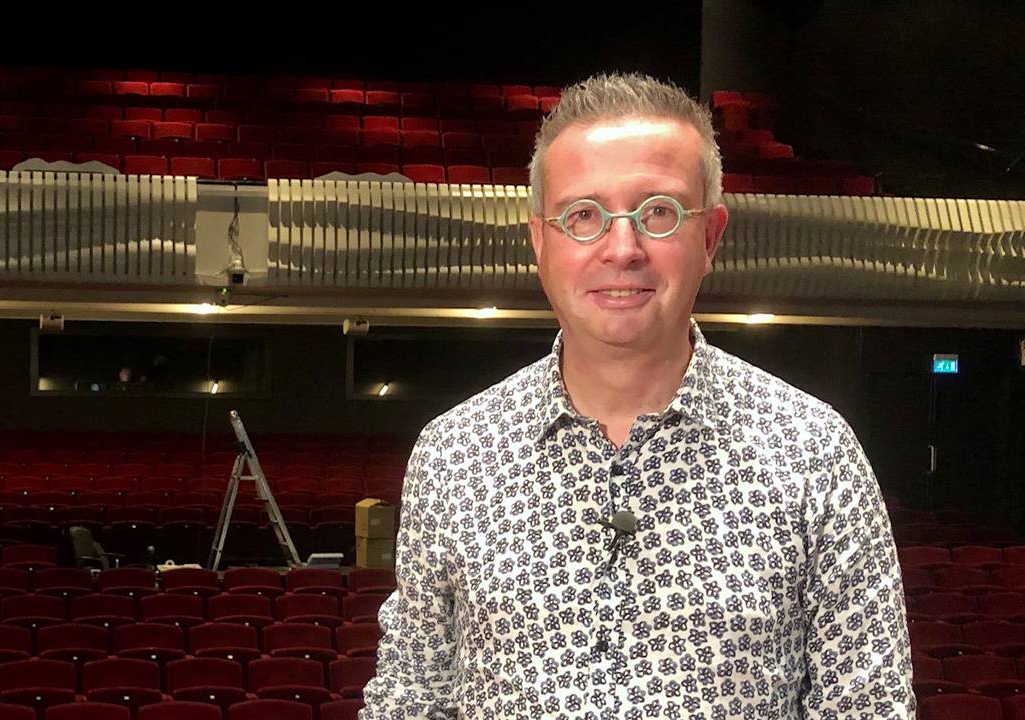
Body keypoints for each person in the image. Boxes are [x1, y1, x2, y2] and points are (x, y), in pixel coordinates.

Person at [360, 72, 914, 718]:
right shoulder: (453, 456)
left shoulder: (815, 456)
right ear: (539, 240)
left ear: (710, 237)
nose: (622, 249)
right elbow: (408, 701)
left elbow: (869, 708)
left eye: (658, 212)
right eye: (584, 215)